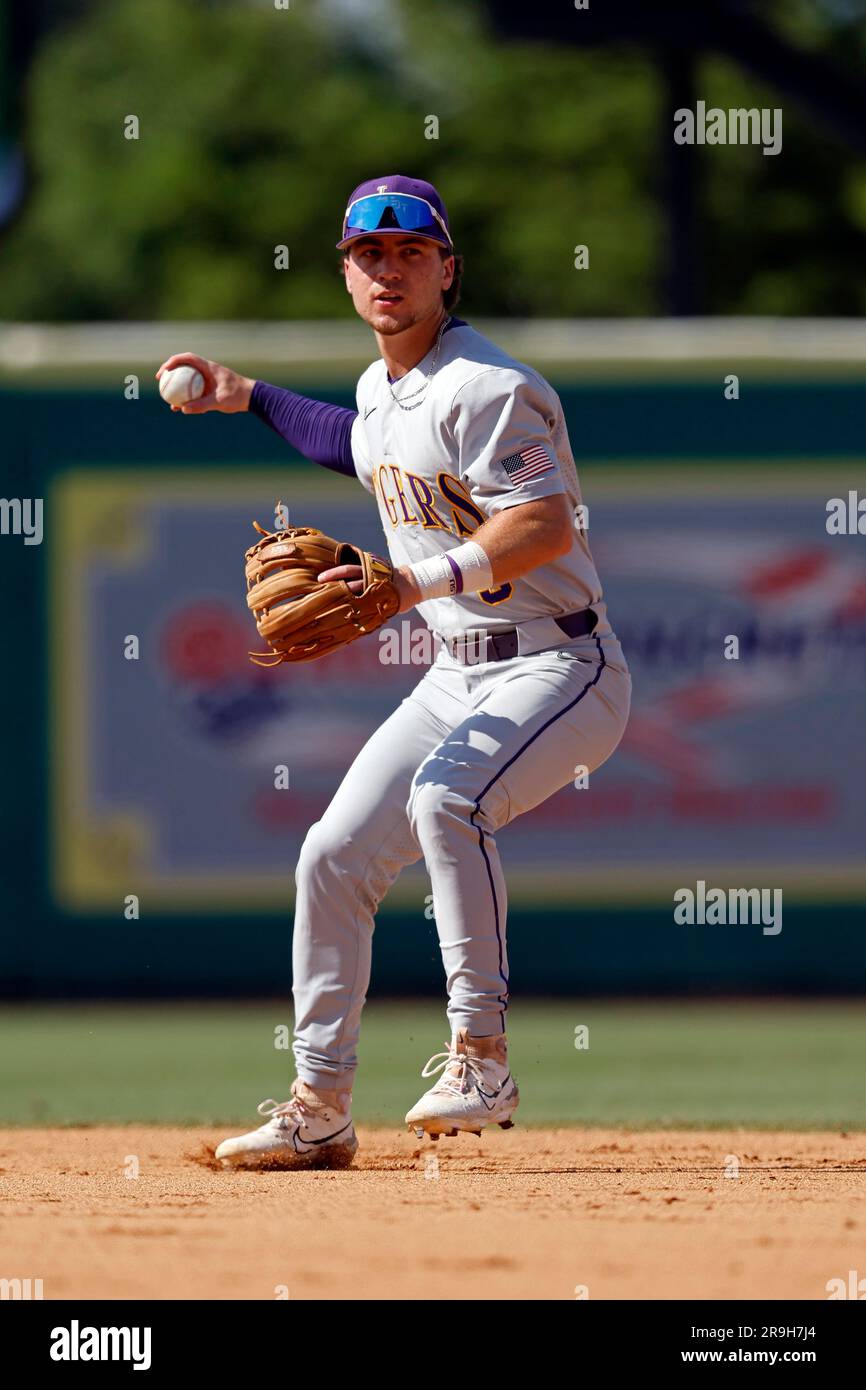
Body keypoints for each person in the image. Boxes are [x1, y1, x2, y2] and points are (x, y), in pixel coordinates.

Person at [157, 175, 631, 1169]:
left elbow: (540, 525)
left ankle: (482, 1055)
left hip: (562, 663)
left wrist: (413, 582)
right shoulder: (383, 390)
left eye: (409, 251)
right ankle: (318, 1106)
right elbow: (353, 443)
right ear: (344, 272)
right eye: (367, 254)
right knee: (331, 856)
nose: (386, 268)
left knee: (444, 799)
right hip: (458, 671)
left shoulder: (488, 386)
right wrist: (246, 397)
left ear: (446, 270)